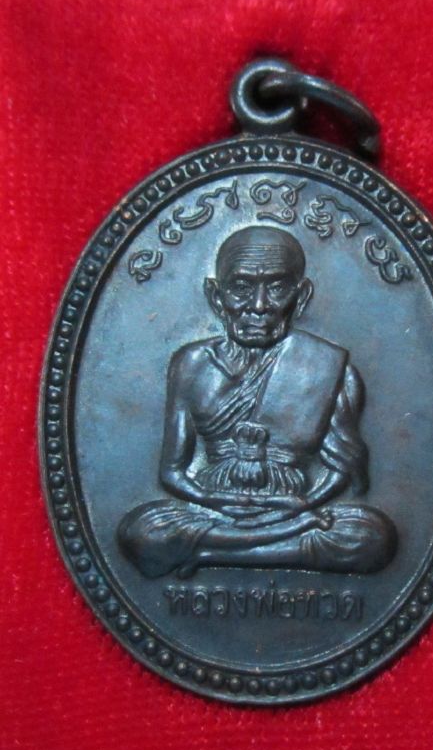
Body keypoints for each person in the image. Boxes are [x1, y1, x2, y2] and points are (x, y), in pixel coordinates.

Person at [118, 225, 396, 577]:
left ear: (302, 296)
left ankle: (211, 555)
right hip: (215, 508)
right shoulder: (191, 364)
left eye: (277, 288)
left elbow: (343, 473)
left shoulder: (326, 366)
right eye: (241, 287)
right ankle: (268, 547)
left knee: (373, 537)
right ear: (216, 296)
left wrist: (299, 507)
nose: (259, 306)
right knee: (141, 532)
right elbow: (171, 471)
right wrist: (212, 500)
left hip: (293, 509)